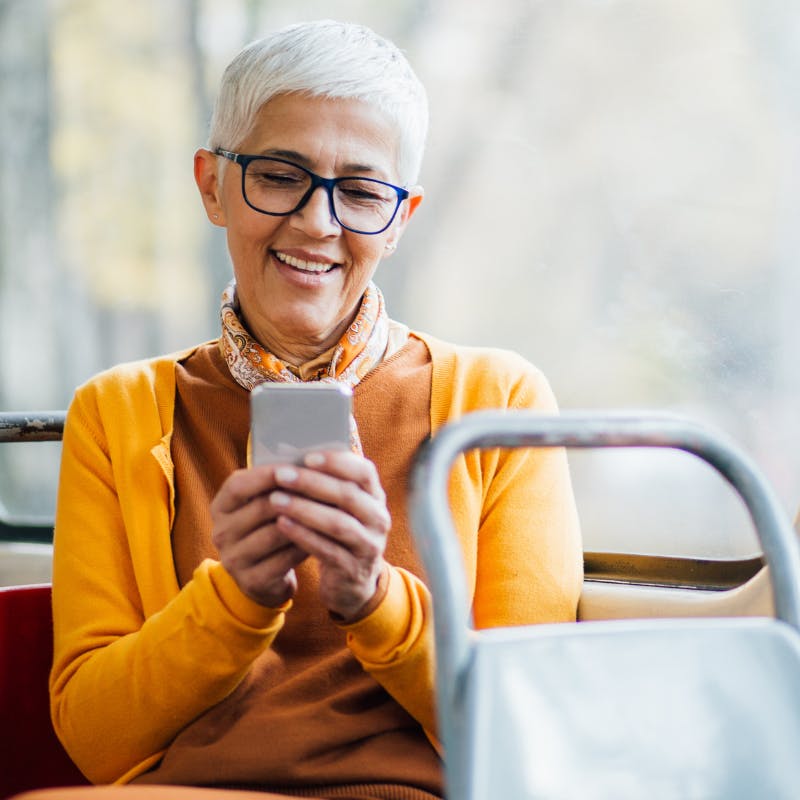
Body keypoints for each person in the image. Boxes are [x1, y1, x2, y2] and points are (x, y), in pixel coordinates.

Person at [42, 19, 583, 800]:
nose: (317, 223)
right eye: (278, 175)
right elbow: (95, 742)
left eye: (361, 192)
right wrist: (235, 599)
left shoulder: (498, 405)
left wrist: (374, 598)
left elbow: (528, 727)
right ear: (211, 185)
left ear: (400, 219)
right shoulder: (117, 411)